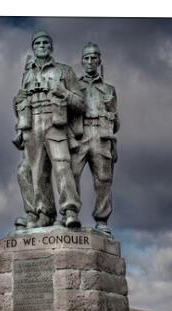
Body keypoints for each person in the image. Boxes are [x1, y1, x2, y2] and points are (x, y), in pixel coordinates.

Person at [13, 30, 85, 229]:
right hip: (32, 125)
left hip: (55, 124)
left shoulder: (64, 71)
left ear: (51, 47)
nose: (42, 46)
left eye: (46, 43)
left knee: (62, 166)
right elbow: (20, 104)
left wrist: (63, 93)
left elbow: (81, 103)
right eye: (38, 43)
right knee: (35, 172)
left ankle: (70, 211)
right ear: (33, 47)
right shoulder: (27, 74)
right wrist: (16, 102)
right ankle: (44, 213)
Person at [70, 42, 120, 237]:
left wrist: (111, 108)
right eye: (86, 58)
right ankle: (71, 213)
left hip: (101, 135)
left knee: (103, 180)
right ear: (82, 61)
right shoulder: (75, 85)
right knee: (71, 174)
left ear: (99, 60)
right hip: (80, 134)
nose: (90, 61)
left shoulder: (109, 89)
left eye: (93, 58)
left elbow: (116, 124)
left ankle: (102, 220)